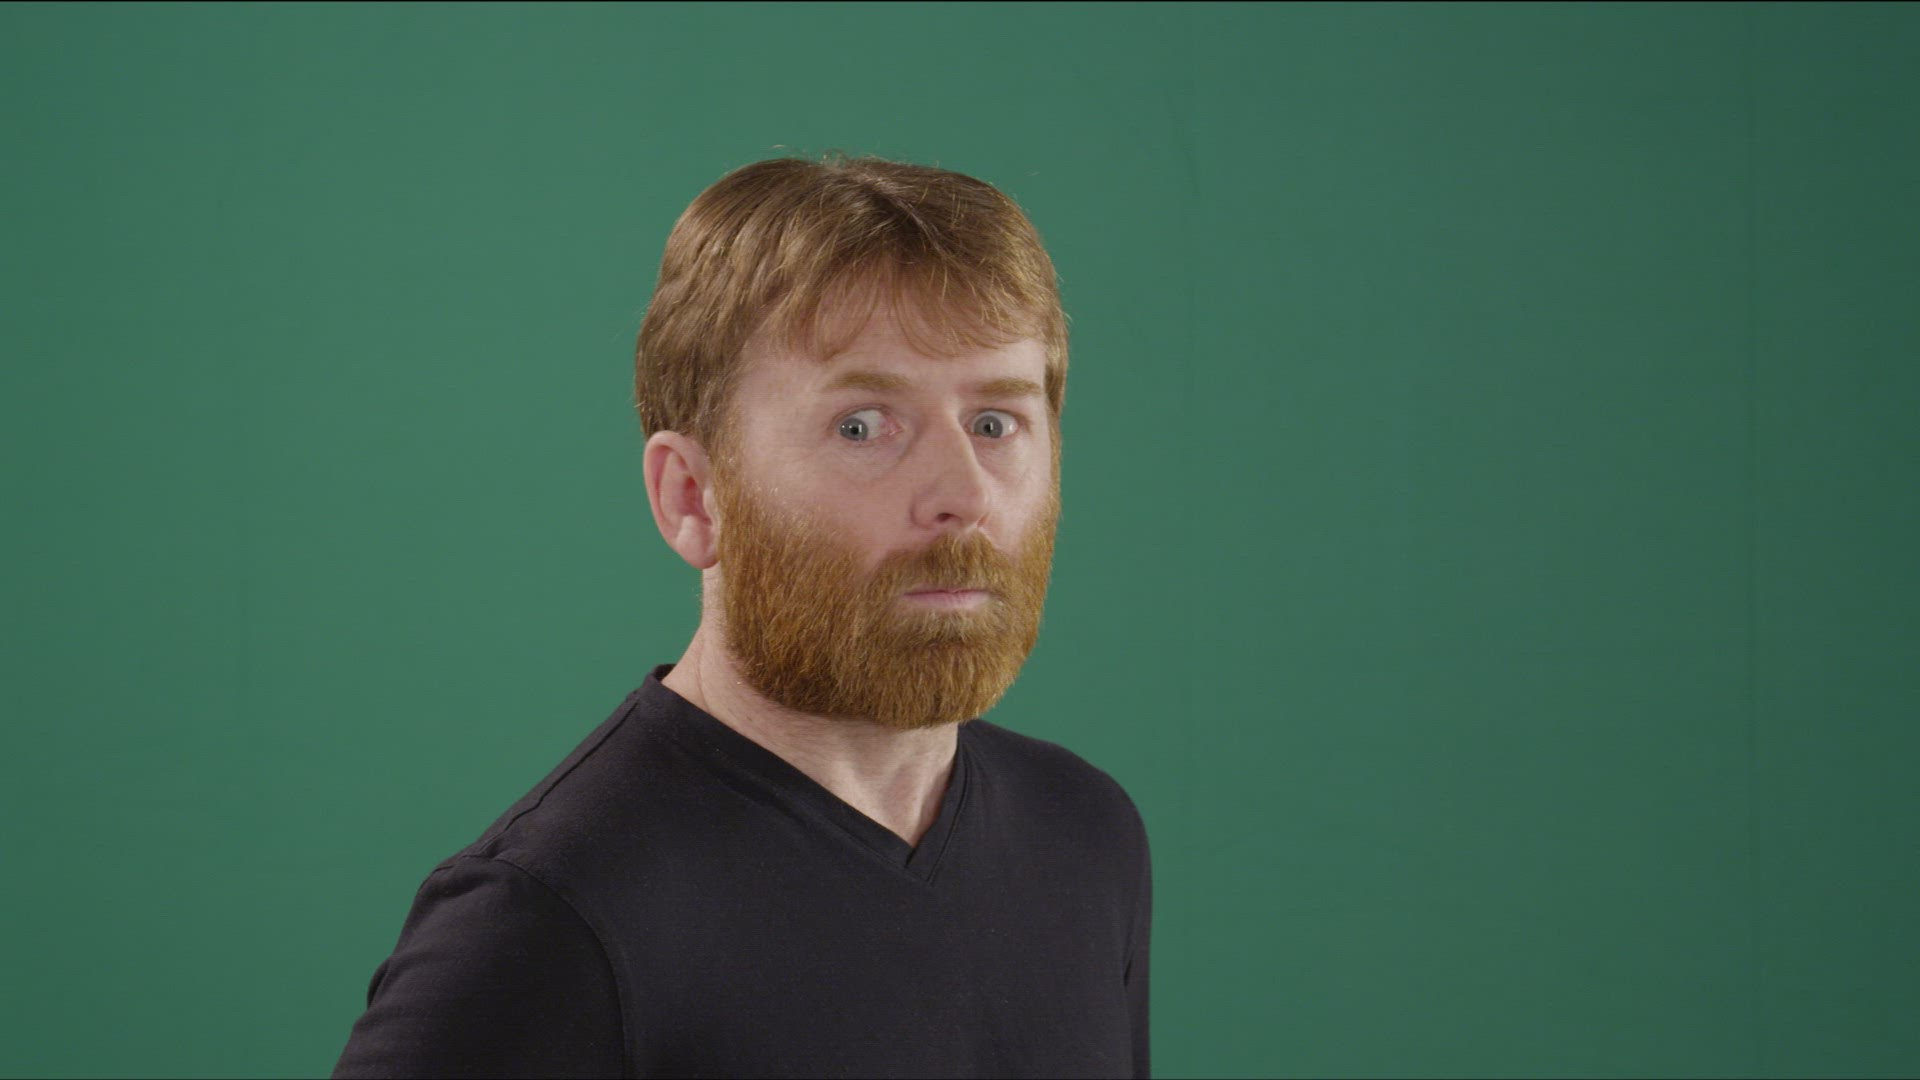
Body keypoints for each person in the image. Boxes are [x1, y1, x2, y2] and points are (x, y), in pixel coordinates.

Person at [330, 153, 1152, 1079]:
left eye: (995, 423)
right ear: (692, 495)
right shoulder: (548, 918)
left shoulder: (1085, 837)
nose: (963, 495)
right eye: (862, 426)